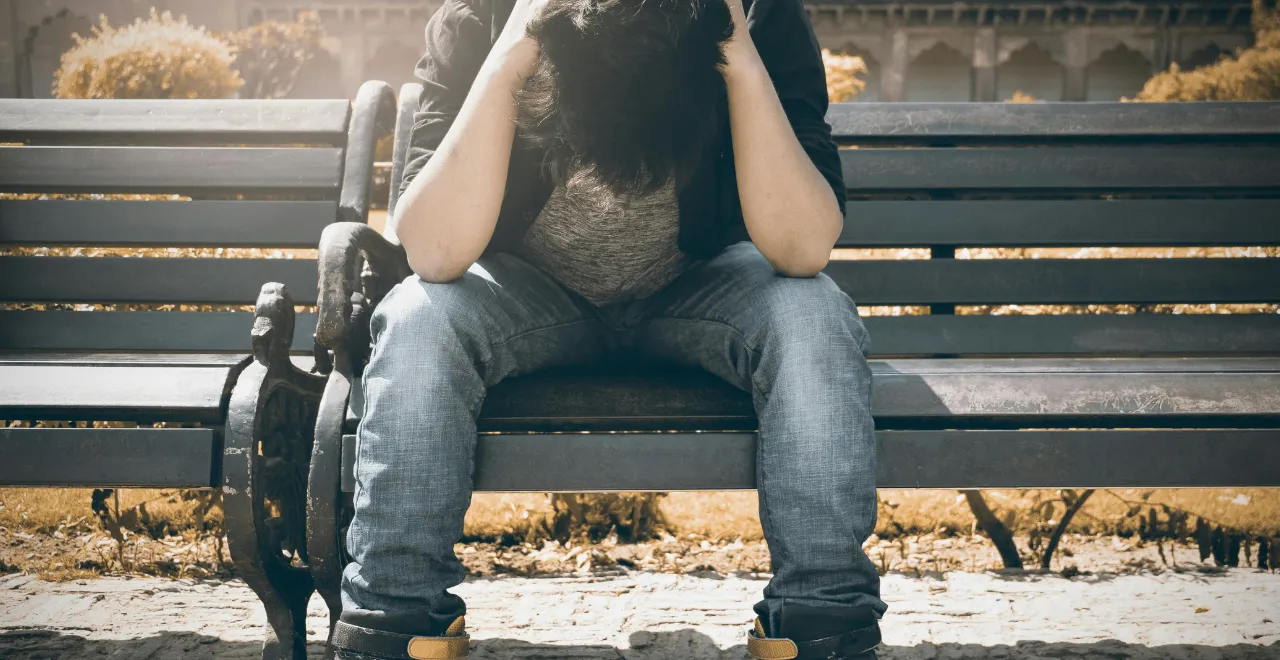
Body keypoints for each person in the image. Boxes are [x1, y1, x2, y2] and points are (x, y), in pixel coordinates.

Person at [331, 0, 884, 657]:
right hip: (530, 296)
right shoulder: (482, 14)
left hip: (698, 288)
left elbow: (802, 249)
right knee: (419, 319)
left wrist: (735, 50)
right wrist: (512, 53)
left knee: (813, 313)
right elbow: (433, 253)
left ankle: (822, 619)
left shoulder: (758, 13)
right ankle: (395, 619)